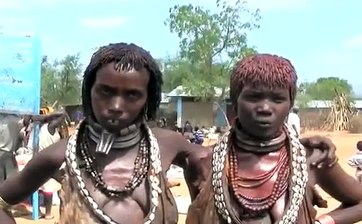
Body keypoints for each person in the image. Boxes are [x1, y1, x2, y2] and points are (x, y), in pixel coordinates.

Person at [0, 44, 337, 224]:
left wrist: (289, 143)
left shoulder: (169, 144)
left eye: (132, 95)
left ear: (150, 99)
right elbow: (5, 199)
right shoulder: (62, 154)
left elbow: (233, 157)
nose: (116, 105)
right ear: (89, 91)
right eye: (105, 91)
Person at [185, 54, 362, 224]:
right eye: (254, 97)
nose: (265, 108)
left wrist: (322, 222)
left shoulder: (311, 159)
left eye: (278, 99)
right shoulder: (204, 162)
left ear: (290, 105)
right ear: (235, 101)